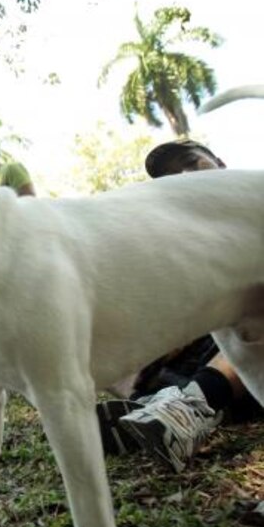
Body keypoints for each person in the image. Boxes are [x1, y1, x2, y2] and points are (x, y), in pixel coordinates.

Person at [97, 139, 263, 473]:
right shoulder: (191, 251)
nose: (186, 176)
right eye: (173, 179)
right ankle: (165, 404)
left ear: (220, 161)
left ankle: (190, 405)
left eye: (191, 162)